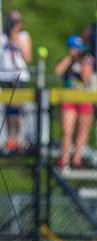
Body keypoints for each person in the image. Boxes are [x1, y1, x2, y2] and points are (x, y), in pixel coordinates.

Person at [0, 10, 32, 152]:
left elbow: (27, 58)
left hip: (19, 77)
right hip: (4, 77)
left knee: (16, 110)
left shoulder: (24, 36)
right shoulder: (2, 38)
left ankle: (17, 138)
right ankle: (9, 139)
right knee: (8, 110)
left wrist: (16, 40)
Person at [55, 35, 94, 170]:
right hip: (69, 98)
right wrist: (70, 58)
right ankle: (64, 159)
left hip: (84, 98)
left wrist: (84, 62)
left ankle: (77, 159)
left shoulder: (87, 61)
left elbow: (86, 79)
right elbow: (58, 71)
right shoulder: (67, 61)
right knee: (67, 130)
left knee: (82, 131)